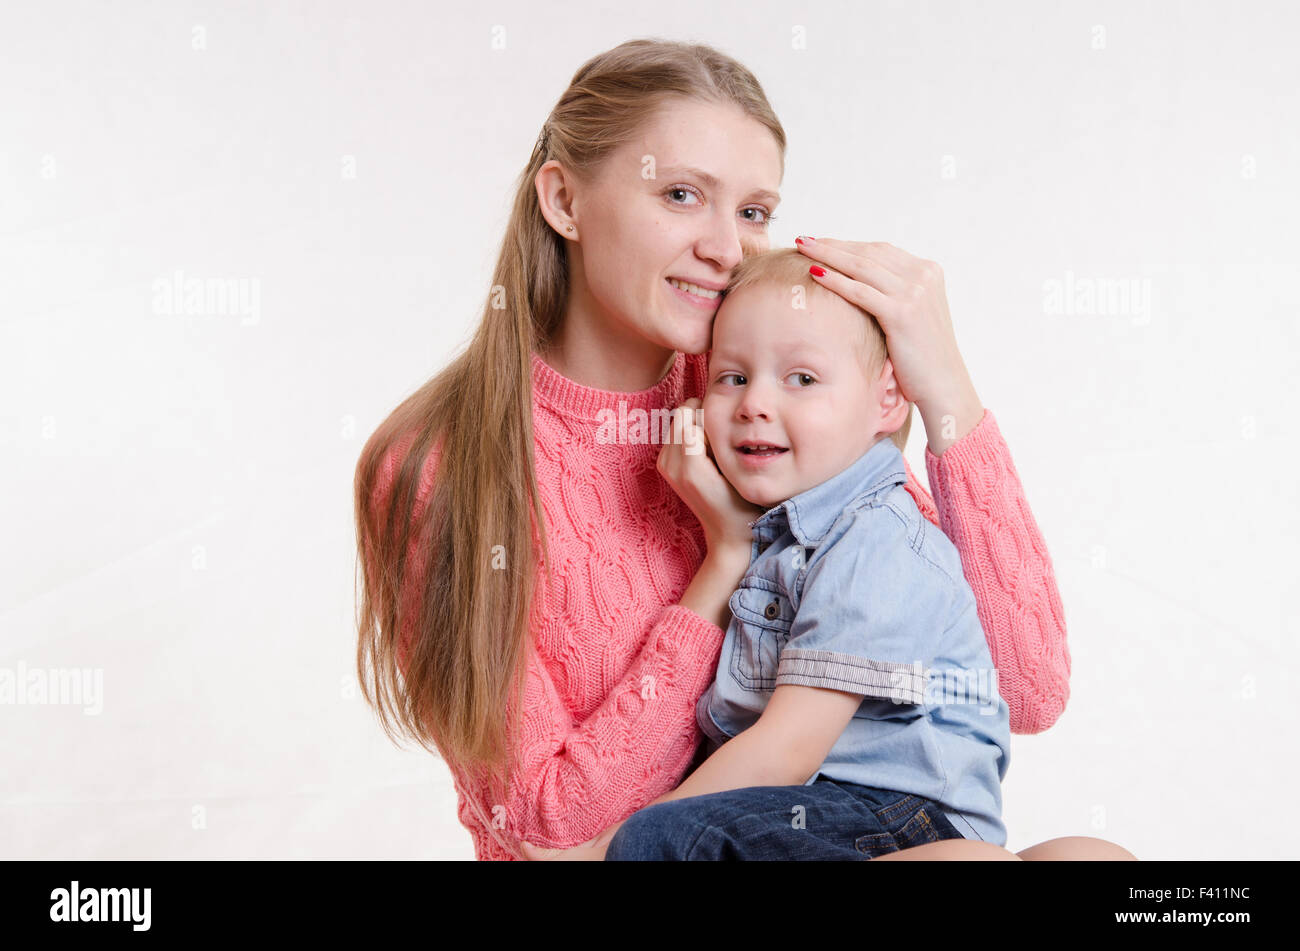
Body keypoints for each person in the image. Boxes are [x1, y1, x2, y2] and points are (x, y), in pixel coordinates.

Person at [354, 38, 1127, 861]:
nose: (728, 248)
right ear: (565, 200)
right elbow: (549, 833)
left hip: (806, 840)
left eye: (754, 211)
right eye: (682, 194)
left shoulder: (763, 393)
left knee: (1089, 860)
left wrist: (947, 397)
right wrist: (721, 566)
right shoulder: (438, 463)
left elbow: (1025, 687)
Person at [537, 246, 1010, 860]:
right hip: (819, 807)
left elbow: (786, 749)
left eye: (802, 380)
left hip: (899, 811)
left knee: (667, 837)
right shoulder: (776, 528)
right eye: (732, 377)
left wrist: (599, 853)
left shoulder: (875, 537)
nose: (754, 403)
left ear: (888, 400)